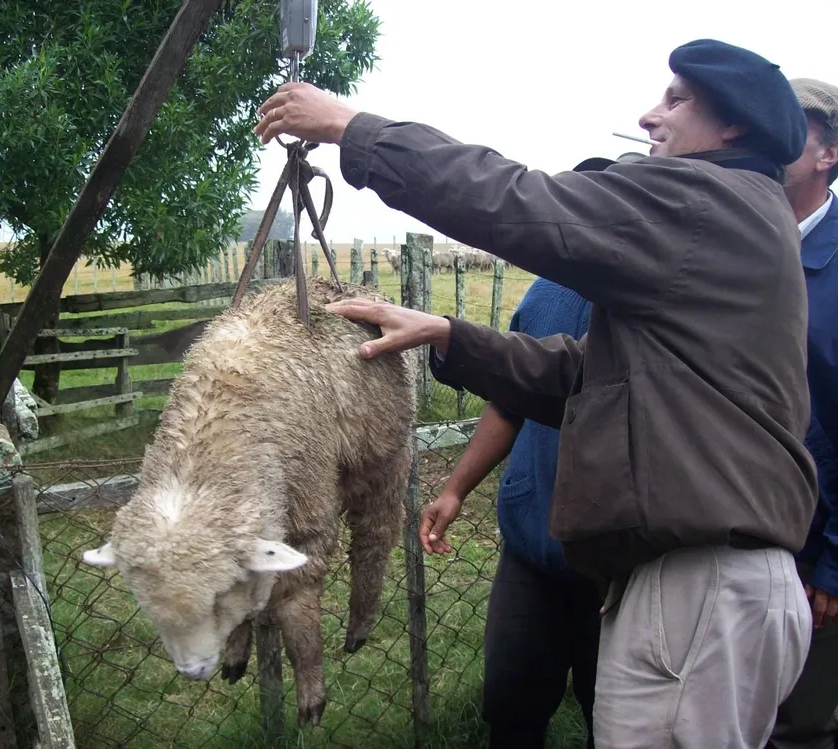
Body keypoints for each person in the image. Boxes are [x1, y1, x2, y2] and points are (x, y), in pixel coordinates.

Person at [255, 38, 818, 747]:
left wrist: (352, 129)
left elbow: (517, 200)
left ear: (733, 126)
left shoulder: (706, 204)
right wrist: (447, 334)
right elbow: (587, 378)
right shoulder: (734, 221)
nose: (650, 116)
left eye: (676, 99)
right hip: (703, 584)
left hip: (701, 588)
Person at [423, 152, 641, 749]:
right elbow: (509, 401)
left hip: (621, 560)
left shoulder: (650, 303)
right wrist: (454, 488)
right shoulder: (546, 292)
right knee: (513, 707)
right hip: (532, 546)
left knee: (618, 717)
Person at [769, 77, 838, 749]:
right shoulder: (750, 241)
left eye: (791, 126)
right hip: (747, 535)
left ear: (828, 153)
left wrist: (835, 563)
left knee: (801, 722)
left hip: (813, 552)